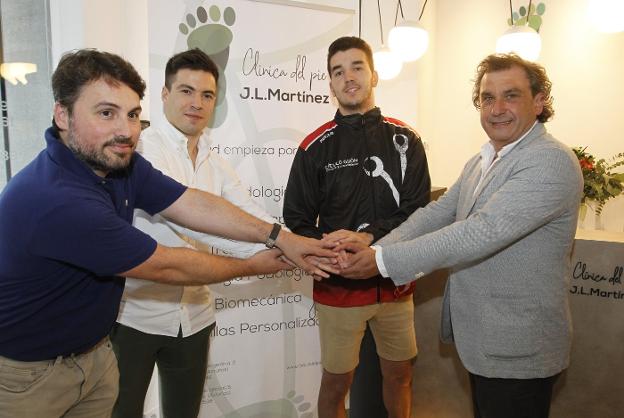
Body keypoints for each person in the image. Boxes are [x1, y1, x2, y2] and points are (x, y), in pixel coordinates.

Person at [0, 49, 336, 418]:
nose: (125, 130)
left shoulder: (119, 163)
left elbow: (188, 202)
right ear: (62, 115)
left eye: (131, 115)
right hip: (30, 375)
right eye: (105, 113)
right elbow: (165, 266)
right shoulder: (59, 198)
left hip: (93, 355)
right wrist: (257, 265)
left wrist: (281, 237)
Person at [335, 53, 583, 418]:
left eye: (511, 95)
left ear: (539, 101)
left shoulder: (550, 160)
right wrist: (377, 245)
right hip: (484, 342)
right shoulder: (483, 159)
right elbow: (438, 213)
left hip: (519, 346)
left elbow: (479, 232)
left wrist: (381, 262)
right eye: (487, 98)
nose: (497, 108)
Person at [111, 49, 277, 418]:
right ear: (165, 95)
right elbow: (190, 220)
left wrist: (291, 242)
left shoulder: (214, 161)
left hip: (195, 317)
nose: (196, 103)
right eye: (186, 91)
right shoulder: (140, 152)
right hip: (136, 315)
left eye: (207, 95)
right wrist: (276, 252)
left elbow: (249, 214)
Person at [283, 36, 431, 418]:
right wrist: (337, 249)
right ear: (330, 85)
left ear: (374, 75)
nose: (348, 77)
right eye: (338, 71)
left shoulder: (406, 139)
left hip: (395, 284)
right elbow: (297, 220)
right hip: (339, 288)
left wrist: (368, 237)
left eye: (356, 67)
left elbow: (418, 210)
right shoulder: (314, 147)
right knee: (336, 385)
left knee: (400, 377)